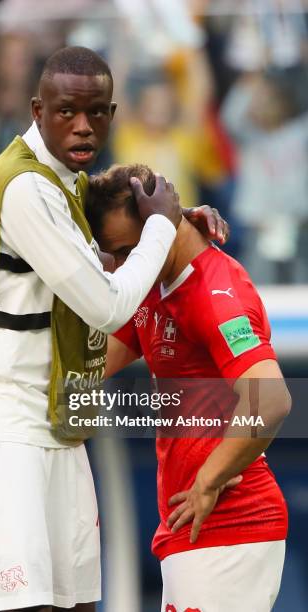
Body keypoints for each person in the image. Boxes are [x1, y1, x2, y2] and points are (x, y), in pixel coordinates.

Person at [0, 46, 227, 612]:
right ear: (38, 110)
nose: (83, 125)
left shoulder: (71, 184)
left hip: (57, 422)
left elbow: (130, 218)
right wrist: (164, 229)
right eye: (67, 111)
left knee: (76, 604)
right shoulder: (21, 186)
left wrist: (181, 225)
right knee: (27, 607)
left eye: (97, 111)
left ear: (113, 113)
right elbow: (107, 308)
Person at [86, 163, 291, 612]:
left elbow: (272, 400)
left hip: (230, 525)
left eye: (126, 251)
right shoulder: (153, 284)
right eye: (113, 255)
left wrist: (207, 482)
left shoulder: (215, 291)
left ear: (161, 226)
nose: (121, 267)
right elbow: (83, 367)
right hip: (192, 529)